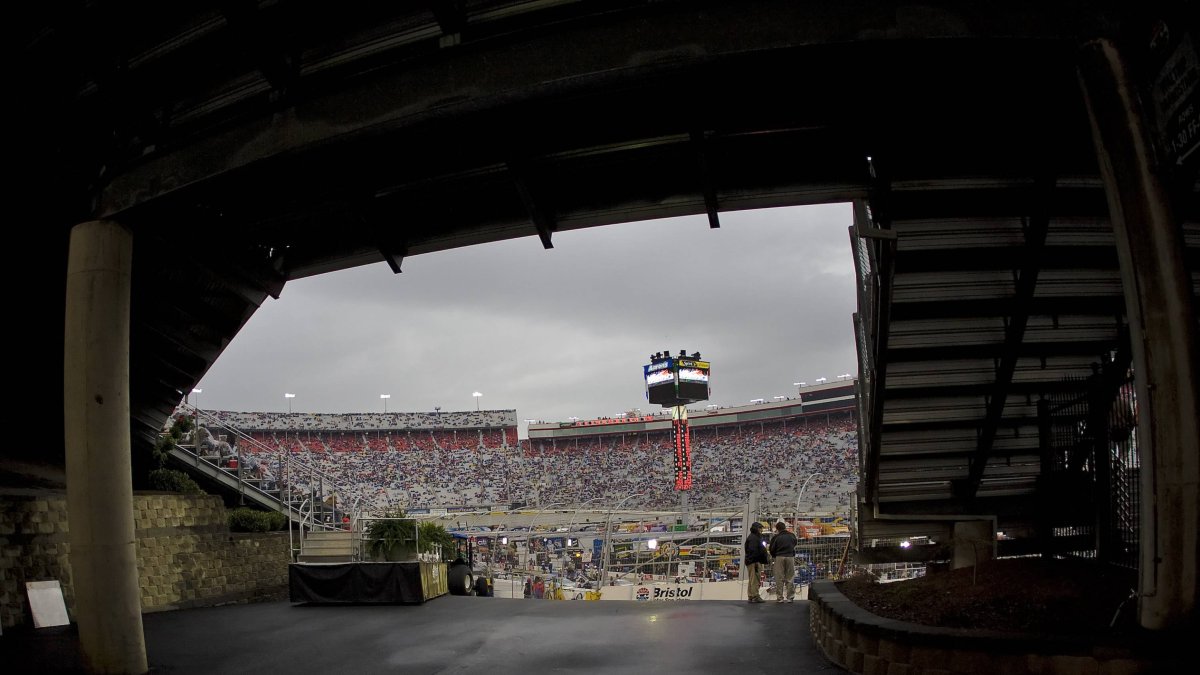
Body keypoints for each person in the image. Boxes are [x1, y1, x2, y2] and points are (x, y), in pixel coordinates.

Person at [768, 521, 798, 603]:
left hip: (779, 557)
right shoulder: (792, 536)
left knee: (779, 577)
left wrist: (774, 556)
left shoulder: (776, 537)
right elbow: (795, 544)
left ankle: (780, 597)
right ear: (785, 527)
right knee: (790, 577)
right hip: (790, 557)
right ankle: (790, 597)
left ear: (777, 529)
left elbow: (771, 549)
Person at [744, 521, 769, 603]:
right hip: (754, 561)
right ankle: (755, 596)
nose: (761, 530)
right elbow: (754, 550)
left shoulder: (753, 537)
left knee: (752, 579)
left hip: (752, 561)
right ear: (757, 529)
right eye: (760, 528)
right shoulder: (754, 538)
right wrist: (756, 559)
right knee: (755, 579)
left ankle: (751, 595)